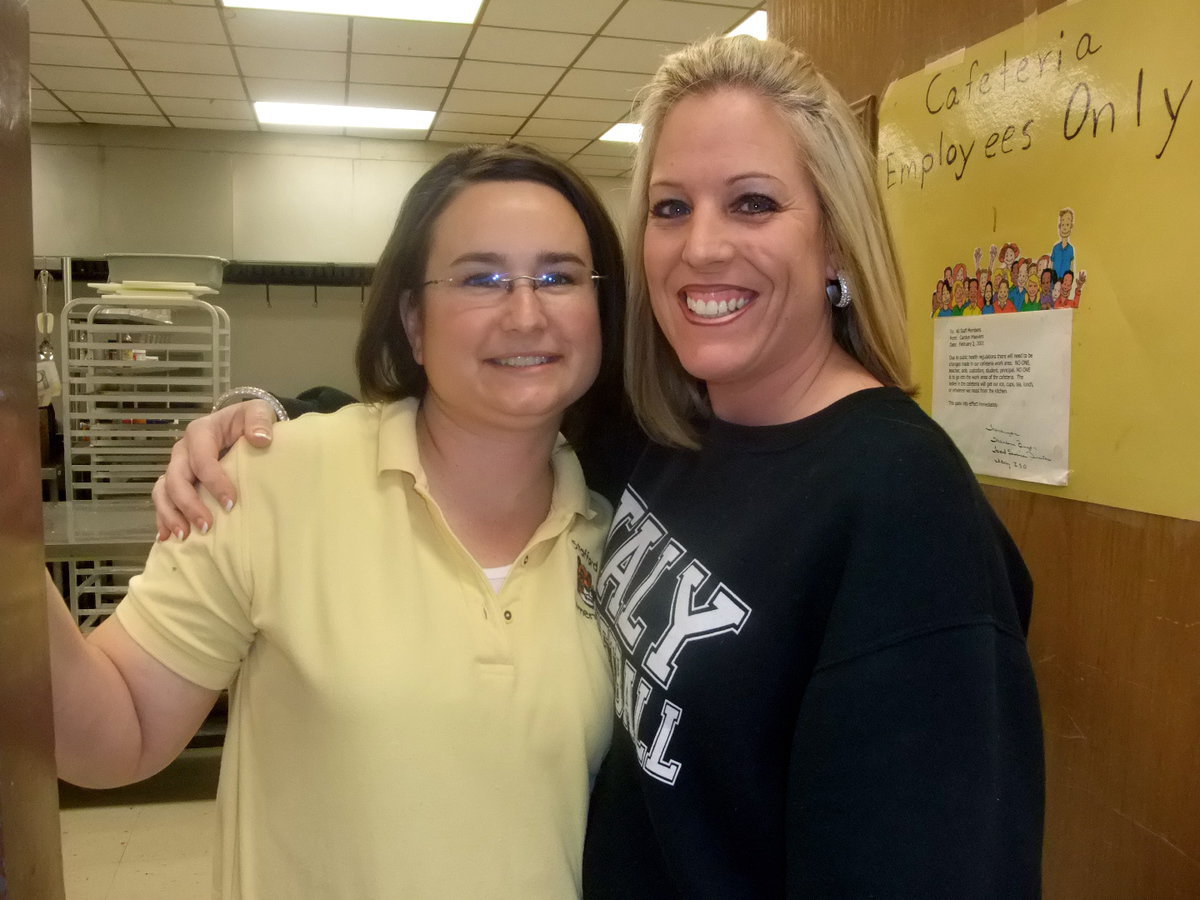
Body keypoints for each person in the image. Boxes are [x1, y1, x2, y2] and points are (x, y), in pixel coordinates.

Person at [154, 35, 1044, 898]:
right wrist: (281, 420)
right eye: (669, 208)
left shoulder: (904, 508)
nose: (700, 247)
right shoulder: (670, 431)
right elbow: (492, 402)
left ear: (839, 244)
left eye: (753, 203)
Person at [45, 142, 630, 899]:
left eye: (559, 277)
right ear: (413, 322)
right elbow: (115, 734)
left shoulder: (620, 538)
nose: (527, 313)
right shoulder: (273, 480)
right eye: (481, 279)